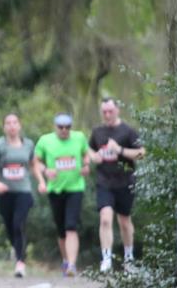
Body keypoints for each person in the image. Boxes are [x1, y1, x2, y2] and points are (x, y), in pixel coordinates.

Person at [89, 97, 146, 272]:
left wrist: (120, 150)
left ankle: (129, 258)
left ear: (117, 110)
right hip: (104, 181)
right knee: (105, 219)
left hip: (125, 181)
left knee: (124, 221)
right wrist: (93, 156)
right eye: (104, 112)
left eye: (110, 111)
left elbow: (142, 153)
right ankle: (106, 258)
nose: (107, 115)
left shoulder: (128, 131)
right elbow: (89, 149)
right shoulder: (97, 131)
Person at [34, 113, 91, 277]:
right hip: (56, 190)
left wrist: (86, 164)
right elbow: (36, 162)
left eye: (68, 127)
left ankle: (72, 265)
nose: (64, 130)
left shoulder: (79, 137)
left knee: (71, 226)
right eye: (61, 127)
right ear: (55, 127)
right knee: (61, 230)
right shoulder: (45, 140)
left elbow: (86, 154)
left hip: (75, 188)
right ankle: (66, 260)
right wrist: (45, 172)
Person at [0, 113, 36, 278]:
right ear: (4, 127)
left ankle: (20, 263)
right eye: (8, 123)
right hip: (5, 192)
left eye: (15, 123)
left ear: (20, 125)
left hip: (24, 191)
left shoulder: (28, 145)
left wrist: (42, 181)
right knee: (9, 226)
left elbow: (34, 165)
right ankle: (17, 249)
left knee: (18, 224)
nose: (12, 126)